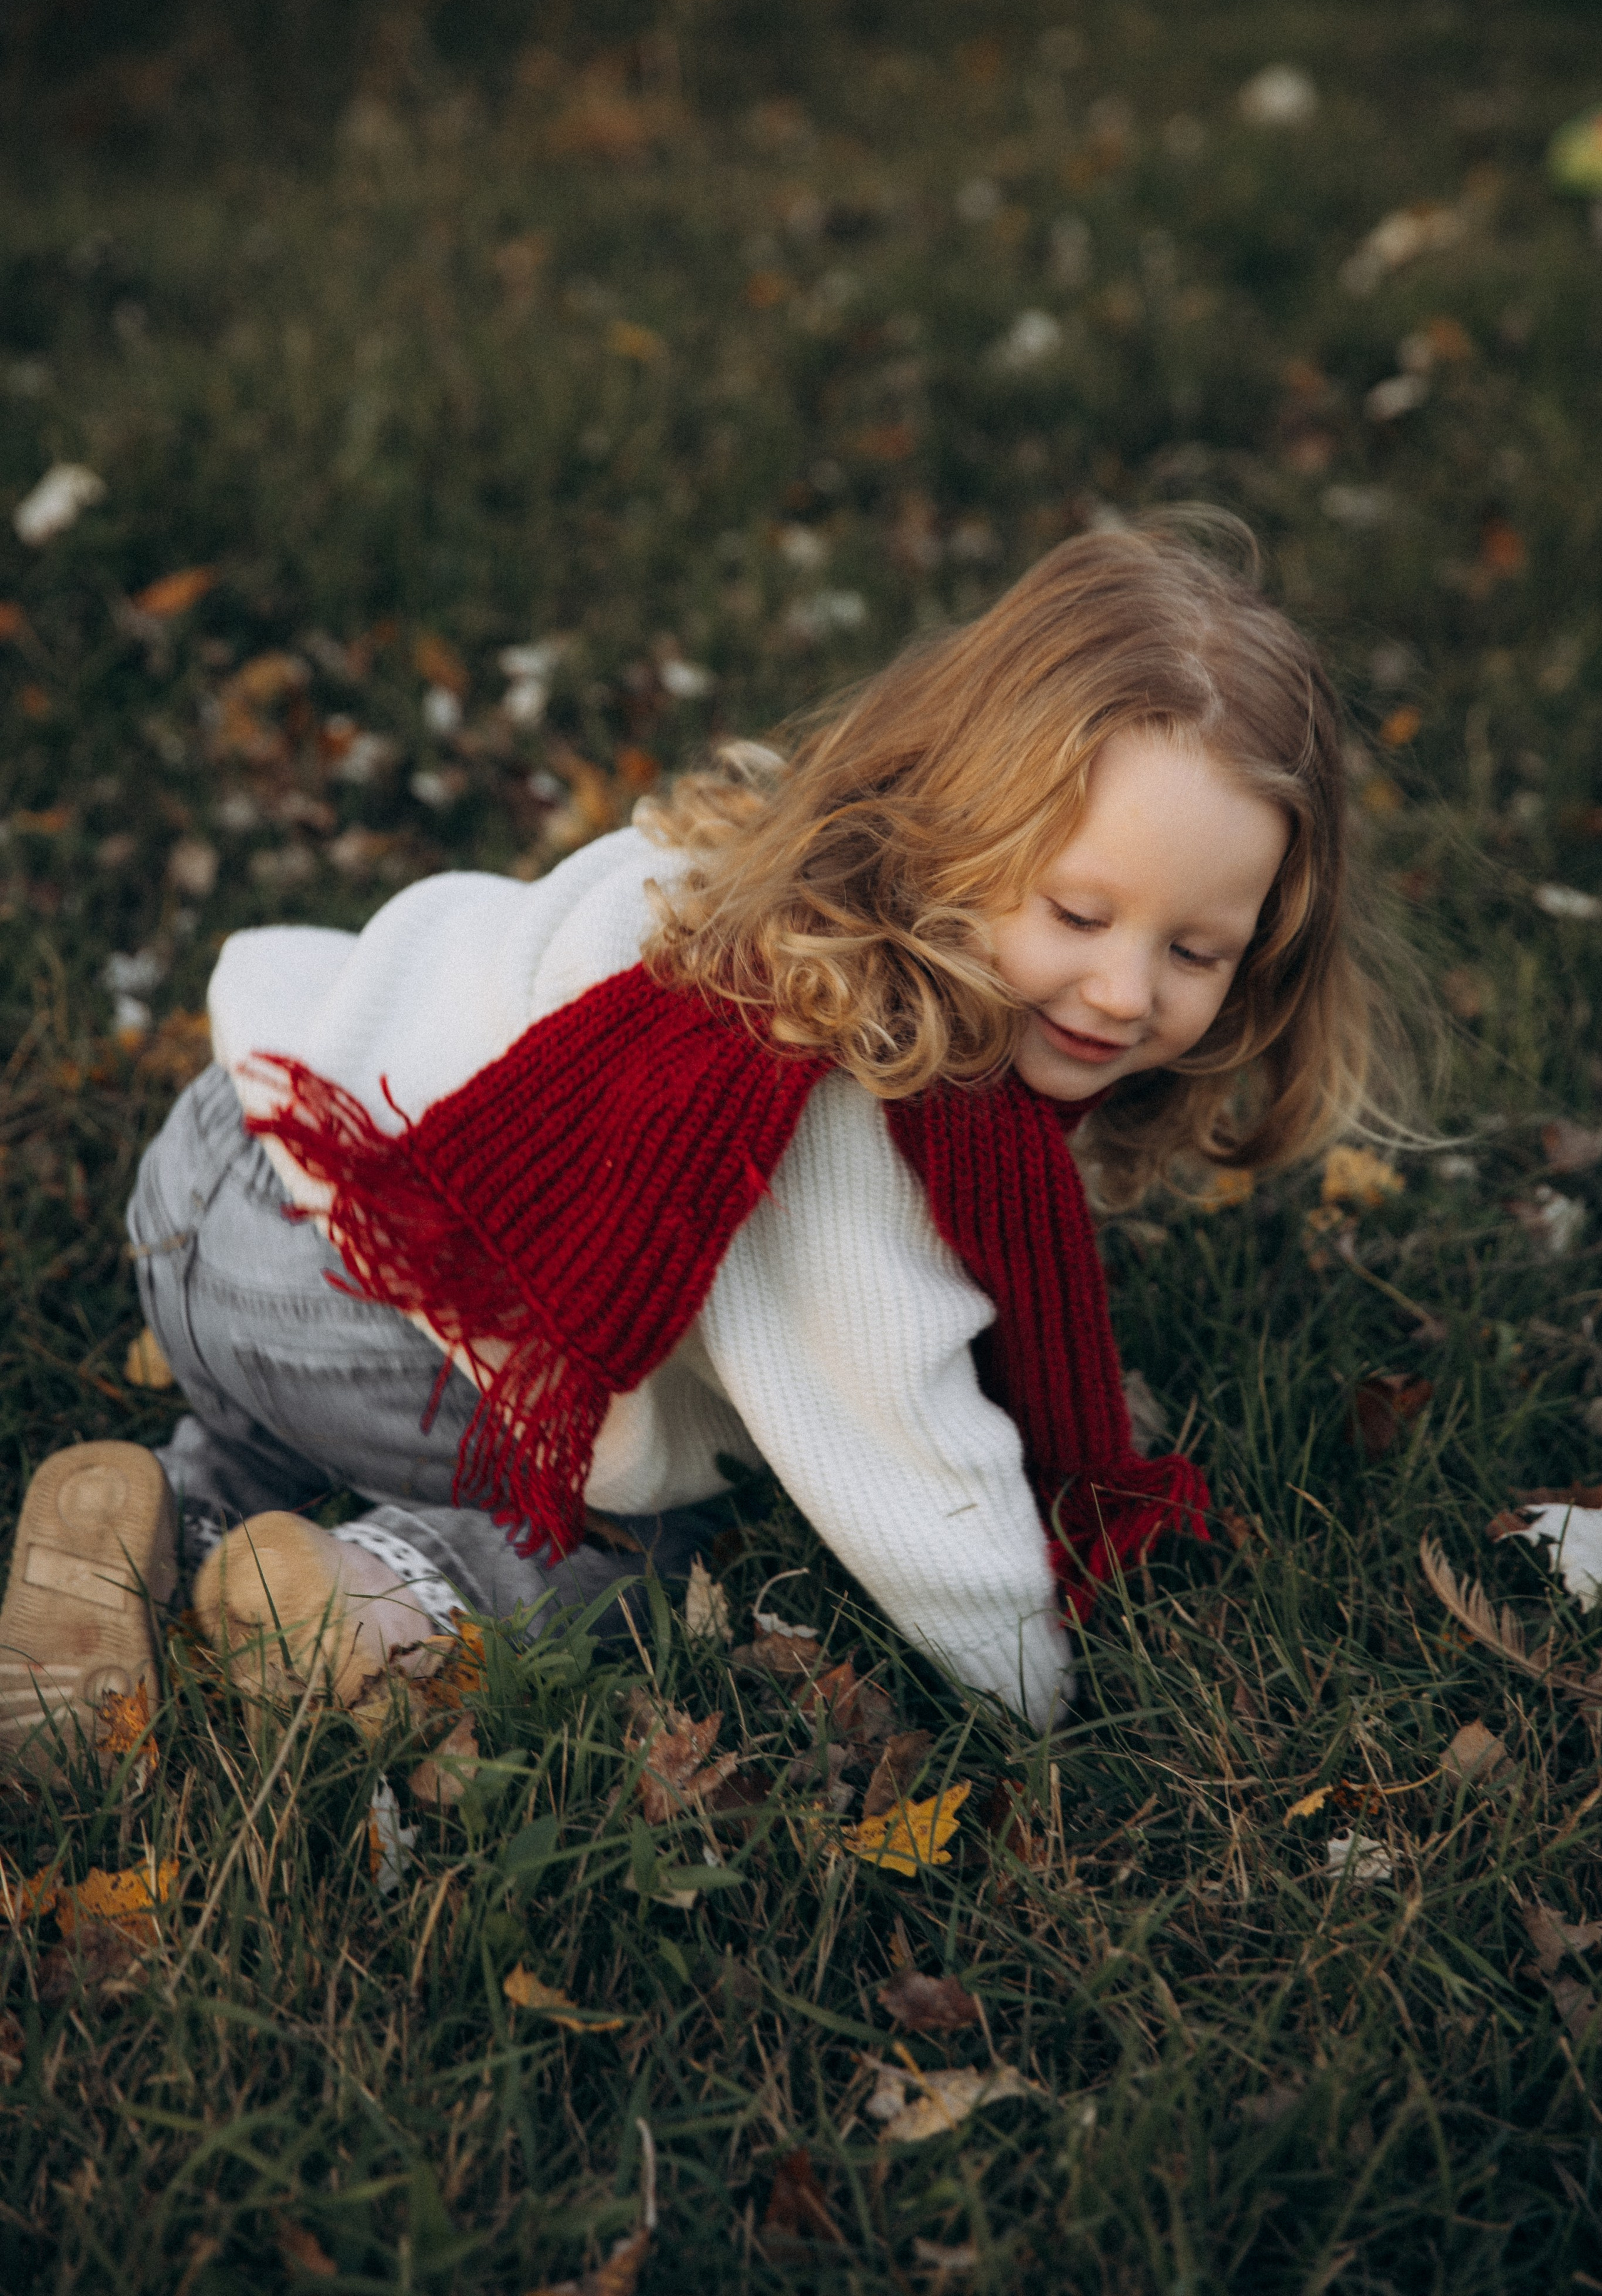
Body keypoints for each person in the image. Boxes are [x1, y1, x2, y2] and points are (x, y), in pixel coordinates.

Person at [0, 515, 1416, 1762]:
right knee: (659, 1532)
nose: (1123, 989)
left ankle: (176, 1505)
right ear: (963, 825)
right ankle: (373, 1597)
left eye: (1195, 949)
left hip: (226, 1164)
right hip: (373, 1294)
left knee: (372, 1379)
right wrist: (1048, 1697)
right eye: (1078, 915)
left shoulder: (754, 855)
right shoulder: (863, 1086)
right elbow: (891, 1454)